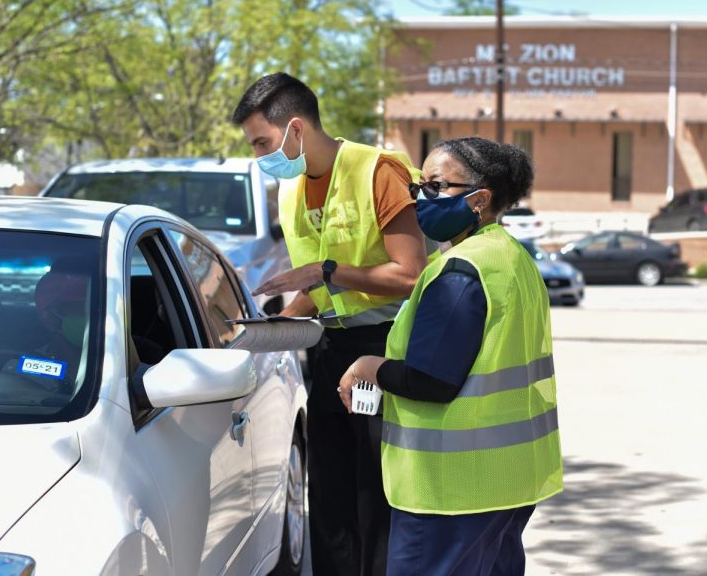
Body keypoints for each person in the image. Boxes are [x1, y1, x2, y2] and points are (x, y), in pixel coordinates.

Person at [231, 72, 429, 576]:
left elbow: (411, 276)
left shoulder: (376, 170)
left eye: (262, 142)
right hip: (328, 349)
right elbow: (318, 288)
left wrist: (327, 273)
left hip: (383, 353)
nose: (259, 156)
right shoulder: (291, 189)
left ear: (295, 129)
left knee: (374, 495)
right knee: (329, 493)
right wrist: (267, 328)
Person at [337, 137, 563, 576]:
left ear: (479, 199)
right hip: (509, 482)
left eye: (436, 186)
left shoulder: (460, 272)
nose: (420, 198)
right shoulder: (512, 257)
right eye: (419, 185)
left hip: (449, 492)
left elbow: (432, 381)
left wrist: (370, 368)